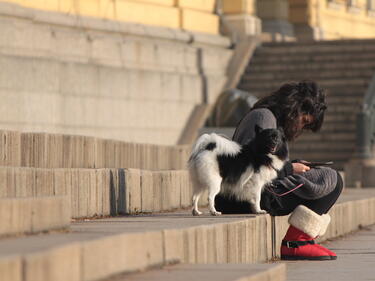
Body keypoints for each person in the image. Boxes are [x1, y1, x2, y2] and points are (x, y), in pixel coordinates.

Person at [215, 81, 343, 261]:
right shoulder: (263, 118)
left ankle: (301, 241)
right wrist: (290, 168)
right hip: (247, 196)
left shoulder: (270, 121)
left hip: (250, 194)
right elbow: (250, 168)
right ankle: (296, 243)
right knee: (331, 179)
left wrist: (293, 166)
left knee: (326, 177)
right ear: (295, 109)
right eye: (304, 122)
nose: (301, 129)